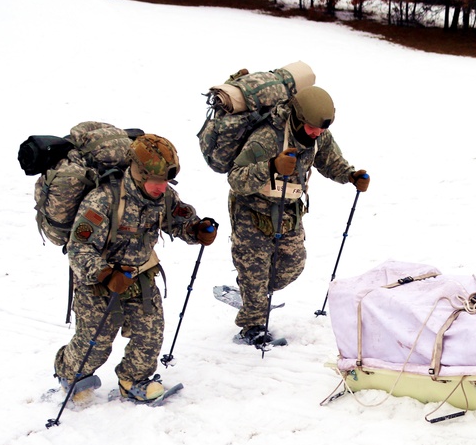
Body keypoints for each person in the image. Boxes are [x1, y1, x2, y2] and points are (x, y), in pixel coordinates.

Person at [53, 134, 218, 403]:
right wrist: (105, 274)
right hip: (98, 282)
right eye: (156, 182)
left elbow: (179, 219)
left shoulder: (163, 195)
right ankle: (70, 374)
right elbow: (78, 248)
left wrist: (197, 230)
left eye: (166, 181)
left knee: (150, 334)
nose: (161, 188)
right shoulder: (103, 200)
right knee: (95, 343)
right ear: (138, 174)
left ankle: (134, 380)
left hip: (140, 276)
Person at [227, 85, 370, 345]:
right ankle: (252, 325)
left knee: (292, 265)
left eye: (321, 129)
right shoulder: (267, 138)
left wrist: (350, 175)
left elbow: (330, 160)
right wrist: (271, 166)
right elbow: (236, 178)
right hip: (252, 212)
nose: (316, 134)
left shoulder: (318, 135)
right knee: (256, 271)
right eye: (311, 128)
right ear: (298, 119)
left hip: (289, 211)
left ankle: (251, 291)